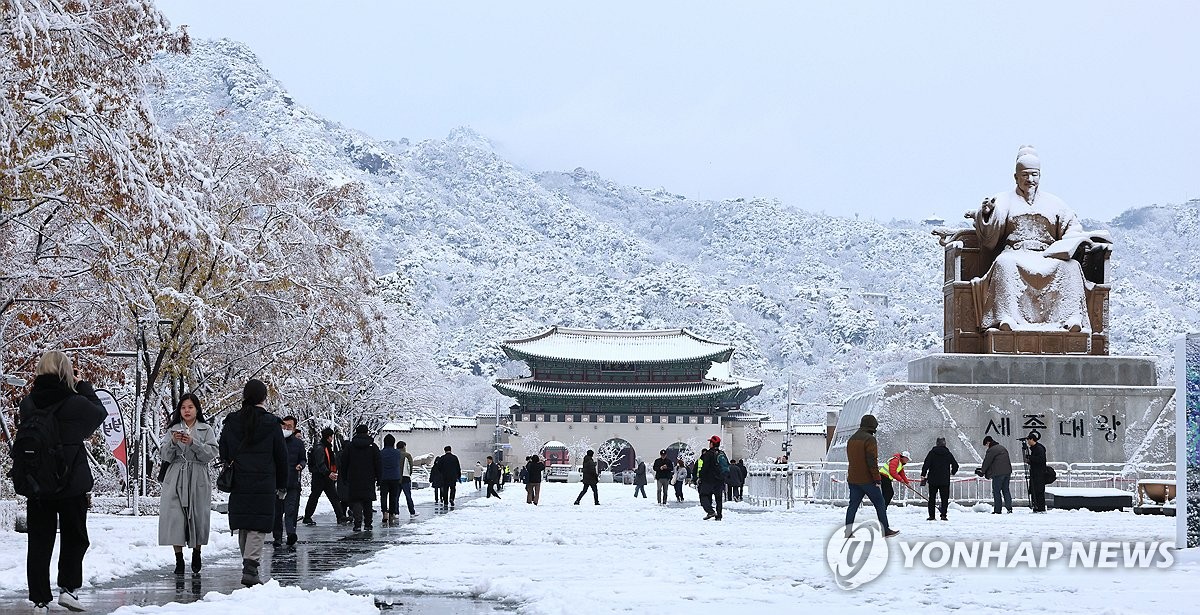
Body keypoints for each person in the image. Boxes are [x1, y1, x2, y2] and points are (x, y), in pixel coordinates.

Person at [968, 146, 1109, 332]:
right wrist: (986, 214)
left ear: (1040, 176)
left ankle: (1071, 318)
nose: (1030, 179)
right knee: (1004, 264)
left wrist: (1077, 241)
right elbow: (990, 231)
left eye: (1034, 175)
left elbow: (1072, 228)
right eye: (1025, 175)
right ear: (1016, 177)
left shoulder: (1055, 203)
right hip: (1016, 253)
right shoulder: (1003, 199)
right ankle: (1006, 317)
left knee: (1072, 268)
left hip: (1047, 255)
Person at [19, 351, 107, 612]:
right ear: (66, 372)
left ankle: (39, 600)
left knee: (39, 541)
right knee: (75, 537)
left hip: (38, 482)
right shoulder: (76, 402)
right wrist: (82, 386)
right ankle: (68, 588)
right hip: (71, 480)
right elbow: (99, 414)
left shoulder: (28, 403)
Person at [218, 378, 287, 586]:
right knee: (258, 525)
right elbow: (281, 456)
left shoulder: (232, 421)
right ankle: (250, 566)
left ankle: (247, 564)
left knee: (245, 524)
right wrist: (283, 483)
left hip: (240, 480)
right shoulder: (272, 423)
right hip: (264, 481)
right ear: (264, 398)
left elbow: (224, 451)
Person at [159, 393, 219, 574]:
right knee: (175, 517)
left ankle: (197, 552)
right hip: (176, 476)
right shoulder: (173, 429)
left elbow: (211, 453)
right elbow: (164, 455)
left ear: (197, 409)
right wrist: (173, 442)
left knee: (198, 516)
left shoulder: (205, 429)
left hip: (198, 475)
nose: (186, 411)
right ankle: (178, 559)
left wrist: (194, 443)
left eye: (190, 407)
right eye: (183, 407)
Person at [844, 414, 898, 538]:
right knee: (880, 504)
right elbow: (871, 460)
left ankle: (848, 531)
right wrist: (877, 478)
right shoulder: (870, 439)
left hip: (853, 478)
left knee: (853, 506)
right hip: (867, 479)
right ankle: (886, 530)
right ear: (873, 426)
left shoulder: (851, 439)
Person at [339, 424, 382, 531]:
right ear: (367, 432)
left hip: (354, 477)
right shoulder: (373, 446)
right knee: (367, 500)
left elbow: (344, 463)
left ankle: (357, 523)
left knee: (356, 500)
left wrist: (344, 477)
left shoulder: (350, 446)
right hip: (369, 477)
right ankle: (368, 523)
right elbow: (378, 463)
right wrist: (379, 478)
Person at [302, 427, 348, 526]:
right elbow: (320, 463)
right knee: (315, 497)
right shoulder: (320, 448)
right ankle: (307, 517)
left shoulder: (326, 447)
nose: (332, 439)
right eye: (331, 437)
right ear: (328, 437)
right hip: (320, 477)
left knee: (334, 497)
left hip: (325, 476)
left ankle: (340, 516)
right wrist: (328, 473)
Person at [271, 415, 305, 547]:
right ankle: (277, 537)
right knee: (277, 512)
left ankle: (291, 534)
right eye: (283, 425)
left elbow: (303, 459)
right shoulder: (274, 441)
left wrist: (300, 465)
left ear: (294, 428)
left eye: (289, 426)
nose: (286, 428)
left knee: (291, 510)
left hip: (292, 482)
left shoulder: (298, 444)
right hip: (276, 483)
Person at [919, 437, 959, 521]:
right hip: (944, 480)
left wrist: (923, 474)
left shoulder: (932, 453)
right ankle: (943, 515)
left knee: (932, 498)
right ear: (945, 444)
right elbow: (955, 465)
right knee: (944, 498)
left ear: (936, 443)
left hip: (933, 479)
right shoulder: (948, 454)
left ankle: (932, 516)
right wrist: (952, 472)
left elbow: (926, 464)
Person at [696, 435, 729, 520]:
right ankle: (719, 516)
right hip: (719, 480)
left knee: (703, 495)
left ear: (712, 444)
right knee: (718, 499)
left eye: (710, 442)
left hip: (709, 480)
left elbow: (705, 467)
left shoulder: (708, 454)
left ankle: (710, 511)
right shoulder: (722, 453)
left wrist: (700, 477)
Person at [978, 436, 1013, 514]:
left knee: (996, 491)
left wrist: (982, 471)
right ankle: (1009, 508)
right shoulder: (1002, 448)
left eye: (986, 445)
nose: (986, 447)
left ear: (988, 442)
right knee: (1006, 490)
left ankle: (997, 510)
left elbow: (987, 461)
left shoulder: (991, 450)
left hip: (998, 473)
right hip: (1007, 472)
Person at [378, 435, 402, 525]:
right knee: (393, 496)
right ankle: (392, 513)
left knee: (383, 496)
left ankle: (384, 512)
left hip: (383, 477)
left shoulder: (381, 453)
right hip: (395, 477)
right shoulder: (397, 453)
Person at [1024, 431, 1048, 512]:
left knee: (1039, 491)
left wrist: (1030, 458)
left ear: (1032, 439)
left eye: (1028, 440)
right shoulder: (1035, 448)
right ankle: (1036, 506)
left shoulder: (1039, 448)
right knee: (1034, 490)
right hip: (1035, 473)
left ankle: (1040, 507)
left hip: (1039, 474)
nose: (1028, 442)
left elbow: (1041, 460)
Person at [397, 440, 418, 516]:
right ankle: (412, 511)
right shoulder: (407, 455)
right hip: (405, 478)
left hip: (396, 478)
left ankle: (396, 512)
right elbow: (410, 466)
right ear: (403, 447)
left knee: (396, 496)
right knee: (408, 496)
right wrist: (409, 474)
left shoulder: (395, 454)